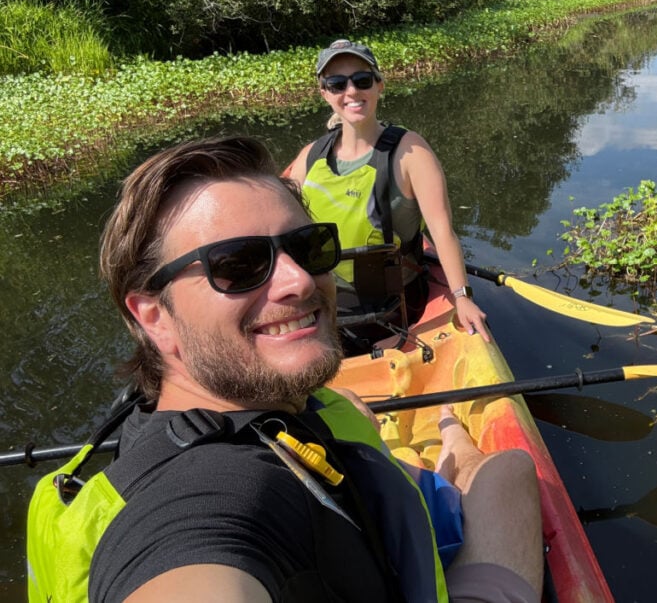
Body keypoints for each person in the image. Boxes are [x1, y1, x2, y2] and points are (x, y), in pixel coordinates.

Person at [25, 136, 542, 602]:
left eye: (307, 247)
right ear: (155, 317)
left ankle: (454, 447)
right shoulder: (207, 503)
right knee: (509, 473)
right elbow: (197, 552)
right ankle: (455, 443)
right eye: (237, 265)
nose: (298, 280)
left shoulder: (206, 413)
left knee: (456, 452)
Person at [285, 39, 490, 350]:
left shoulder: (410, 152)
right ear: (324, 93)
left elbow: (441, 229)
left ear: (379, 86)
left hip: (392, 312)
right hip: (324, 311)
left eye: (362, 80)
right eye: (337, 84)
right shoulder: (310, 157)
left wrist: (462, 297)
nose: (351, 92)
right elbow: (275, 226)